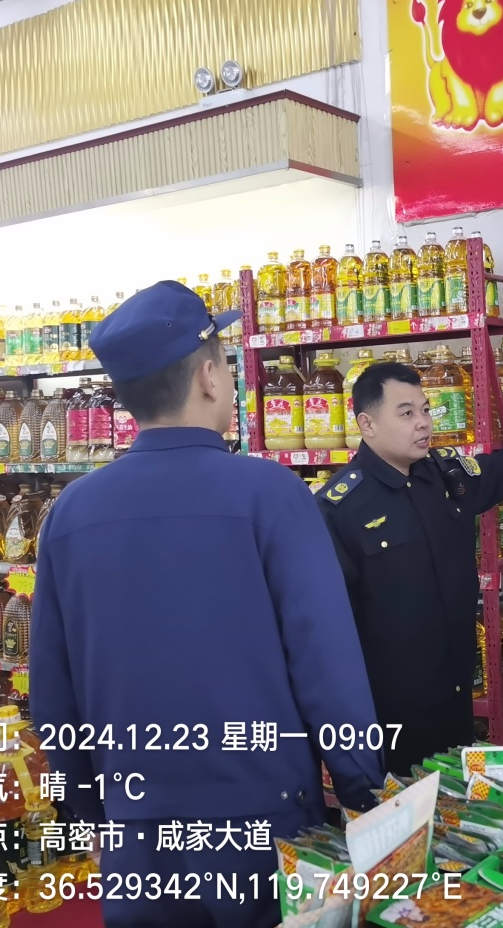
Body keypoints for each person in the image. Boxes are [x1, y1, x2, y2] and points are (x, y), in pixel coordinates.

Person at [30, 281, 383, 928]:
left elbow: (53, 692)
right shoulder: (270, 494)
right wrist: (364, 790)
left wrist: (92, 812)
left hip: (137, 831)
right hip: (263, 827)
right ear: (209, 377)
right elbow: (325, 662)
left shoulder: (71, 513)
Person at [318, 360, 503, 774]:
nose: (423, 423)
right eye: (406, 413)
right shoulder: (341, 508)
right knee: (403, 805)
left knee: (453, 798)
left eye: (425, 410)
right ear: (367, 424)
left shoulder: (443, 477)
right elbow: (328, 625)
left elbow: (499, 471)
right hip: (391, 708)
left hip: (456, 690)